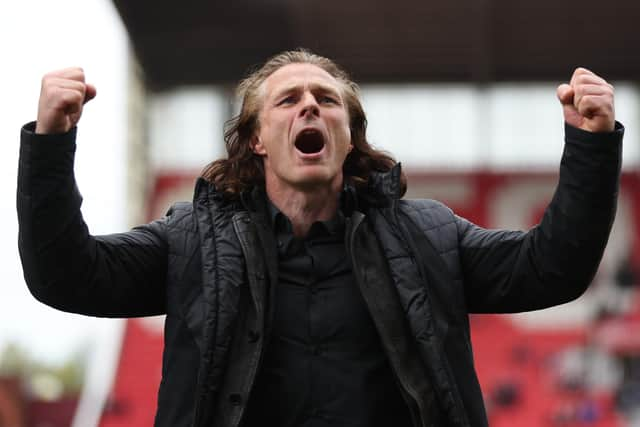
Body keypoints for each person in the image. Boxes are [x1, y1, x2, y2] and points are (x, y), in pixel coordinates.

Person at [17, 49, 623, 427]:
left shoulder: (430, 234)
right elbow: (68, 277)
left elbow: (552, 270)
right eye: (288, 100)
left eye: (326, 100)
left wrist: (591, 145)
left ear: (348, 136)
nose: (309, 107)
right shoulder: (191, 240)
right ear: (256, 140)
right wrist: (49, 145)